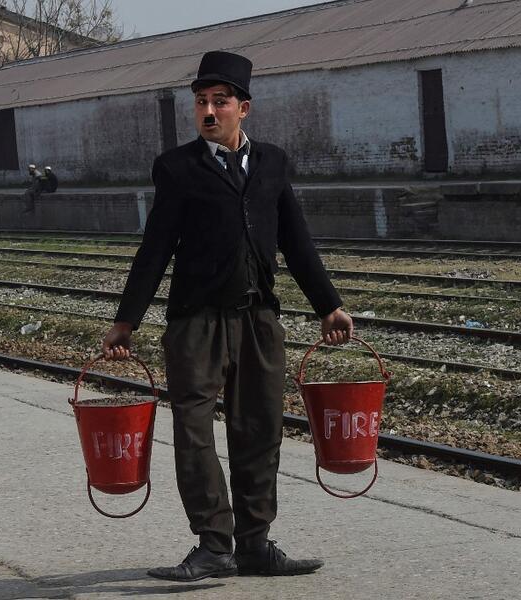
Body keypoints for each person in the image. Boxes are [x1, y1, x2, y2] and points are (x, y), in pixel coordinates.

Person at [101, 50, 353, 582]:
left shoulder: (273, 164)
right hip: (195, 322)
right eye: (200, 103)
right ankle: (214, 544)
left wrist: (328, 305)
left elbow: (297, 241)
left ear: (245, 108)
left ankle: (255, 544)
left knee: (259, 429)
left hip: (259, 320)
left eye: (220, 102)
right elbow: (155, 249)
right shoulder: (176, 168)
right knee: (194, 430)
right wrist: (127, 320)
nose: (208, 112)